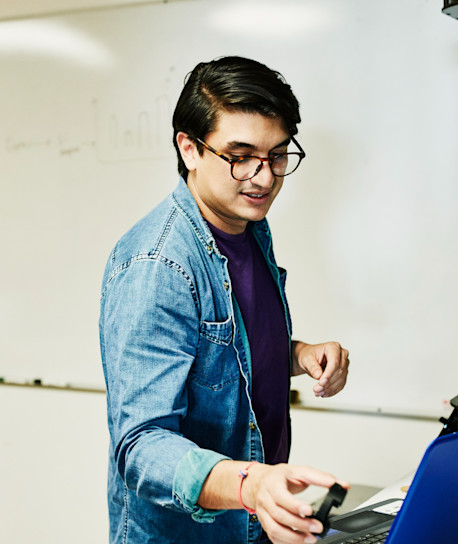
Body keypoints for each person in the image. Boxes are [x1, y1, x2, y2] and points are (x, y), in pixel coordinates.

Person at [99, 56, 351, 544]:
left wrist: (297, 354)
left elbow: (225, 348)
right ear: (189, 148)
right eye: (240, 156)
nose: (263, 178)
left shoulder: (249, 225)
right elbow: (141, 447)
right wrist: (251, 484)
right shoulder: (156, 265)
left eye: (277, 155)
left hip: (255, 519)